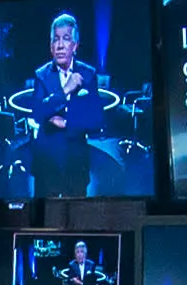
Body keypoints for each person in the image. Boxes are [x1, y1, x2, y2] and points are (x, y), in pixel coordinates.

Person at [6, 11, 113, 199]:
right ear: (50, 46)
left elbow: (97, 119)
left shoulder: (88, 74)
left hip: (76, 162)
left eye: (66, 39)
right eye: (56, 40)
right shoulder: (42, 75)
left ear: (75, 45)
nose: (60, 45)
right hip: (47, 162)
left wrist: (67, 123)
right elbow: (38, 113)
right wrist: (66, 90)